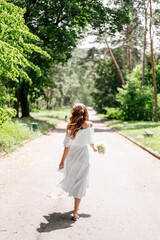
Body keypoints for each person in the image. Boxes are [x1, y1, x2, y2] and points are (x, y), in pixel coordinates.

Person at [56, 103, 97, 221]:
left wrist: (62, 161)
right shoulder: (89, 125)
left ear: (73, 114)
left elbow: (67, 146)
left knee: (74, 180)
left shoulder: (70, 127)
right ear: (85, 113)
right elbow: (91, 141)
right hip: (84, 156)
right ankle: (75, 212)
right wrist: (94, 149)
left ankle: (75, 208)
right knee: (81, 182)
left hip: (72, 157)